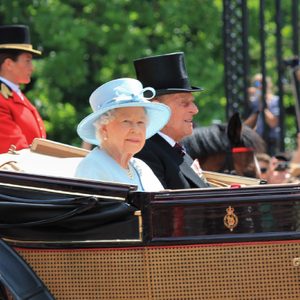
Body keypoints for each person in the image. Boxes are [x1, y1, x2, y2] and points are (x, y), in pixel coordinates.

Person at [75, 77, 171, 191]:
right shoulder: (93, 166)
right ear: (104, 127)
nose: (136, 130)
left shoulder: (141, 167)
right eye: (126, 121)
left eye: (141, 122)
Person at [133, 52, 209, 189]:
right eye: (184, 103)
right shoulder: (144, 152)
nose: (195, 110)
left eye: (192, 102)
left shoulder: (174, 149)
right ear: (157, 109)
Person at [0, 24, 46, 154]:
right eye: (27, 61)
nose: (32, 68)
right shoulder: (2, 100)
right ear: (9, 64)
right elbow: (15, 149)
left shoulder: (14, 95)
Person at [244, 73, 280, 156]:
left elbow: (273, 123)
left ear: (269, 84)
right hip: (256, 141)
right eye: (256, 83)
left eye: (262, 83)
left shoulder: (275, 100)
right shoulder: (252, 101)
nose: (259, 86)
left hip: (271, 142)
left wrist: (263, 105)